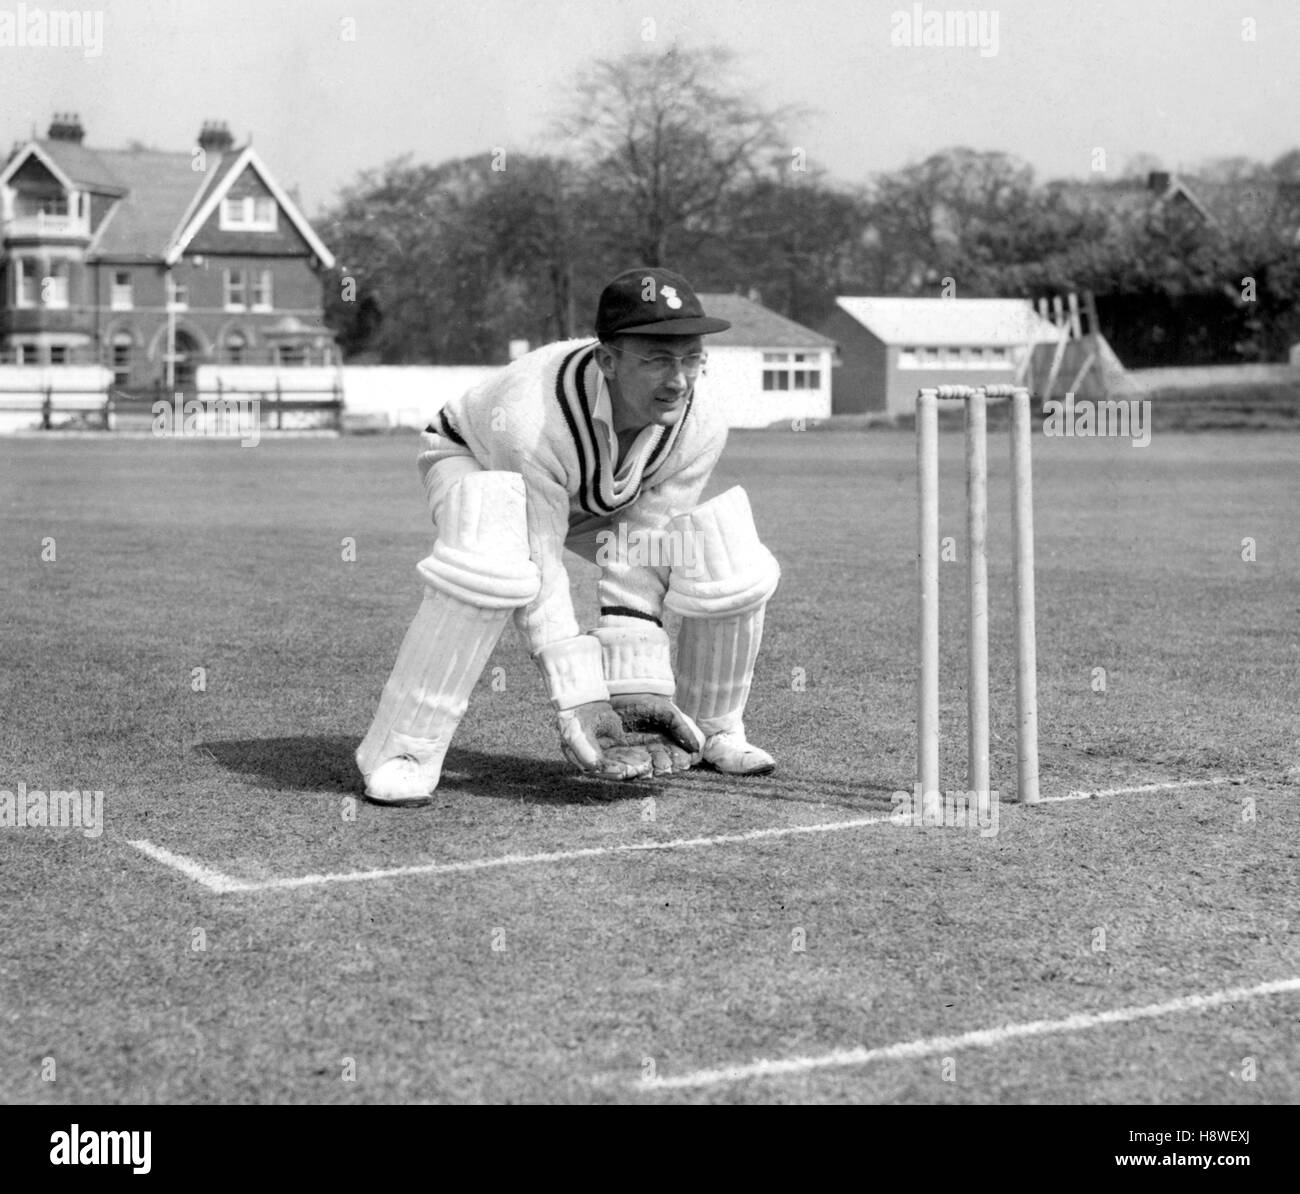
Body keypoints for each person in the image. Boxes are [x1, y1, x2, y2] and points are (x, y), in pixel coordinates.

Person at [356, 267, 781, 804]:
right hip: (474, 457)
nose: (678, 379)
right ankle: (404, 750)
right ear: (607, 360)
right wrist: (580, 699)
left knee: (724, 548)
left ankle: (714, 729)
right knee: (490, 551)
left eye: (690, 358)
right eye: (656, 359)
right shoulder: (532, 419)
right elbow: (543, 566)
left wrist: (637, 684)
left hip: (601, 494)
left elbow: (642, 544)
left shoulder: (701, 422)